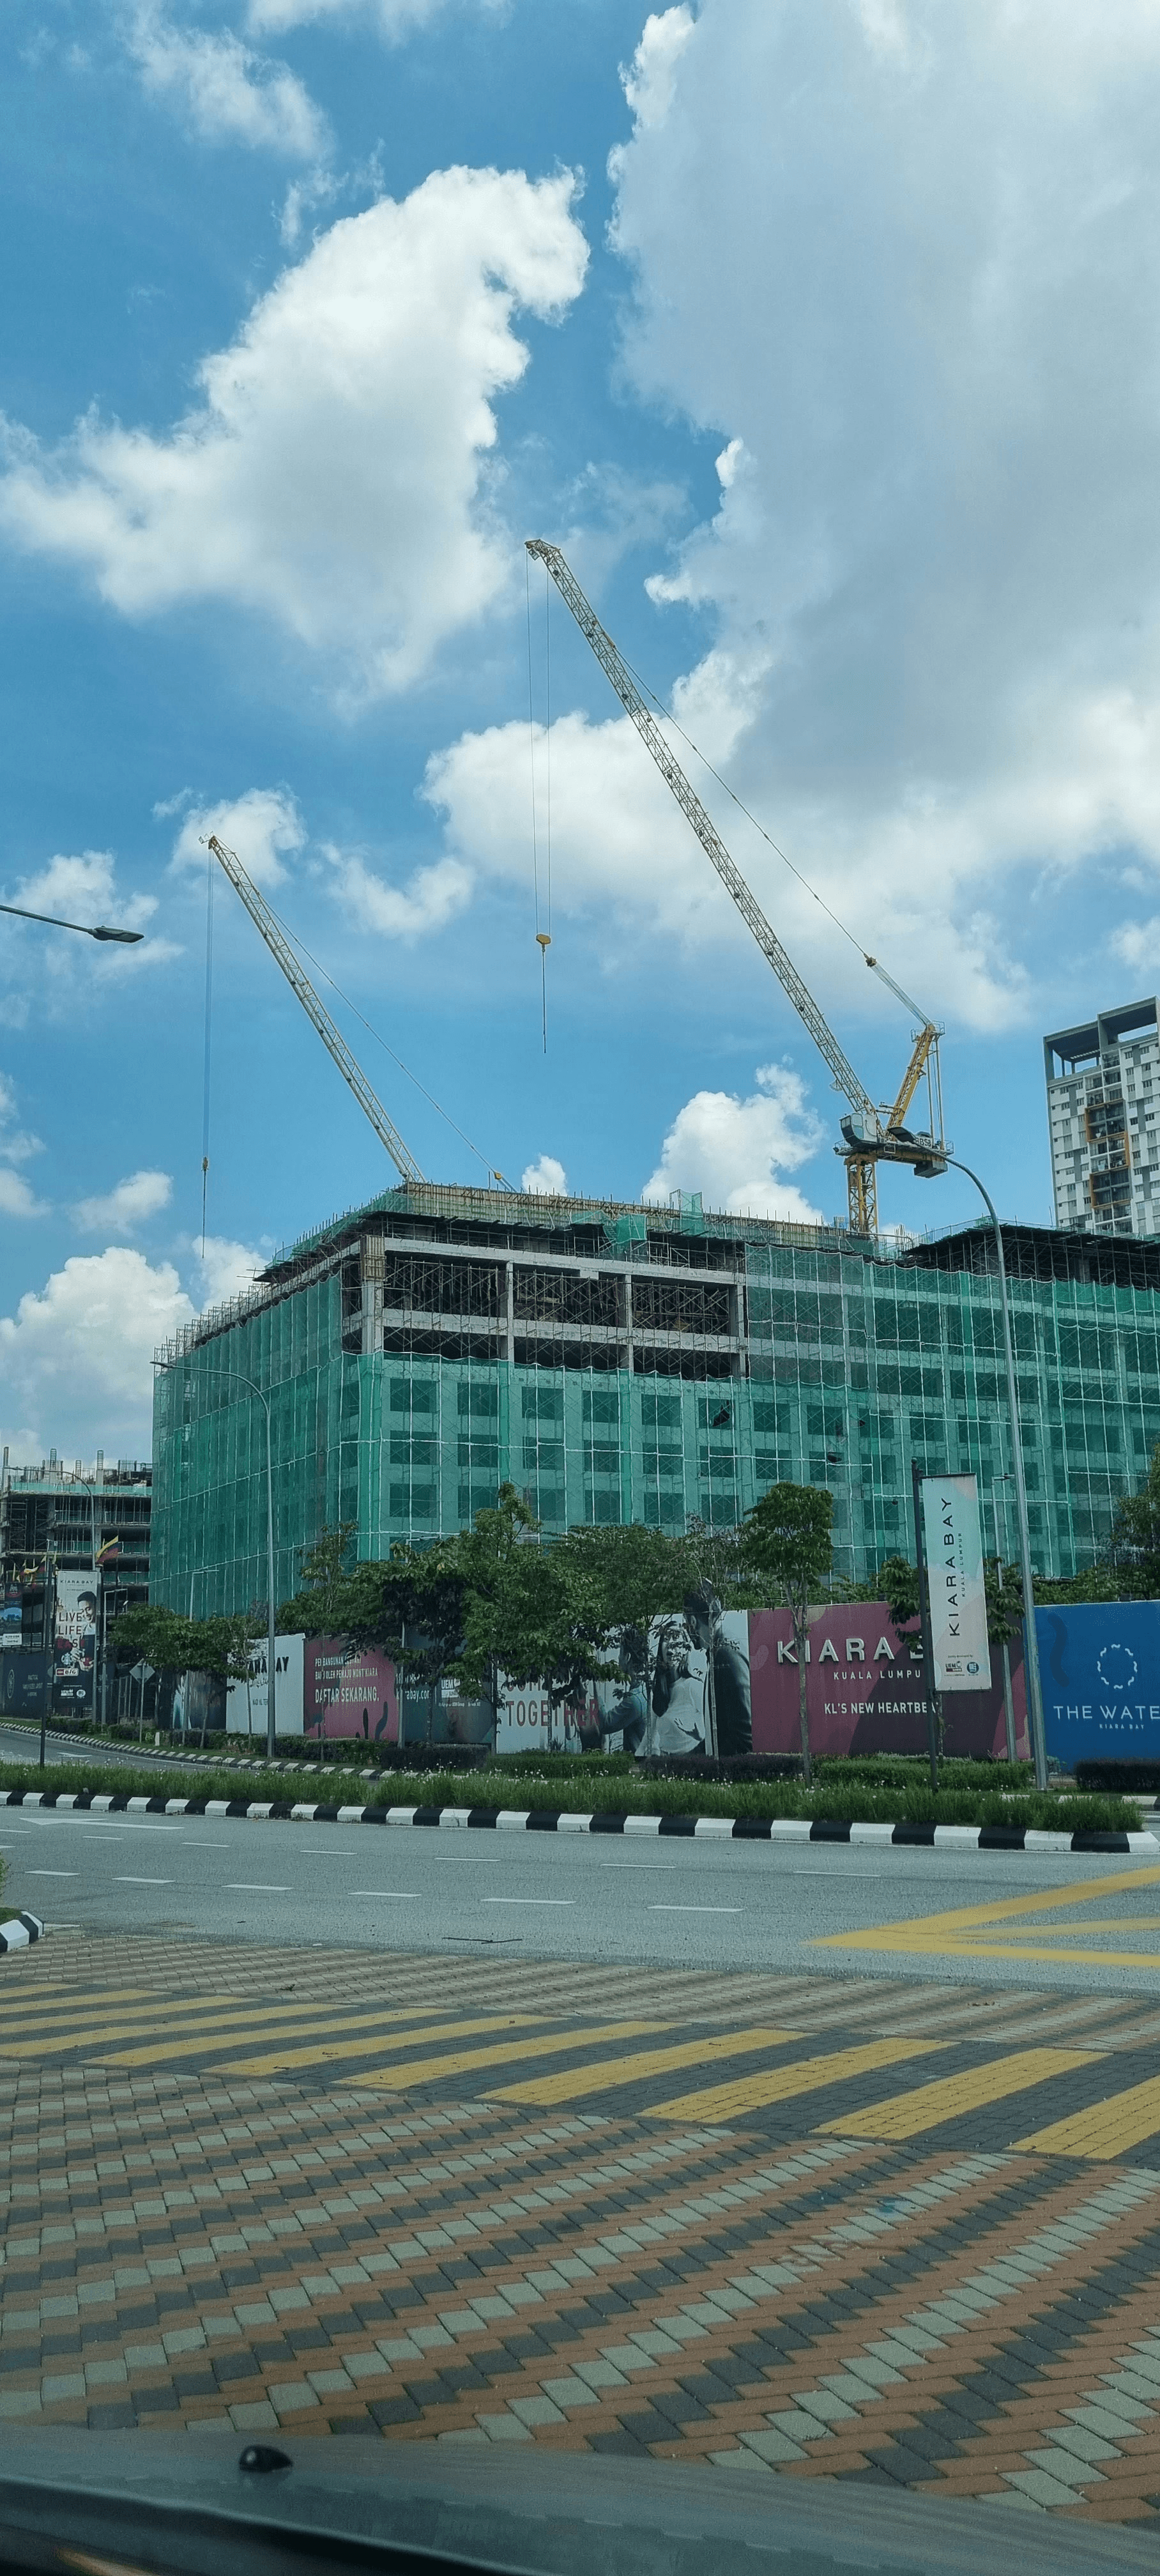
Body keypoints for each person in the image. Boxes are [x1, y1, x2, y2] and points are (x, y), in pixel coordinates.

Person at [682, 1582, 752, 1758]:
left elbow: (743, 1738)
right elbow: (719, 1735)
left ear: (691, 1621)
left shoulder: (726, 1654)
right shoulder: (719, 1651)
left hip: (732, 1776)